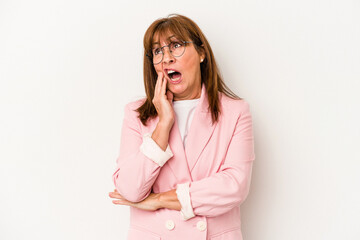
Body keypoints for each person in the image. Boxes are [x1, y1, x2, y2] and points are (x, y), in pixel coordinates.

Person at [109, 14, 255, 240]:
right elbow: (129, 189)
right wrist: (163, 126)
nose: (166, 58)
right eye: (158, 51)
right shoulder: (136, 114)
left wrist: (157, 200)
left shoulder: (235, 112)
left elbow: (234, 186)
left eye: (176, 45)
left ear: (201, 53)